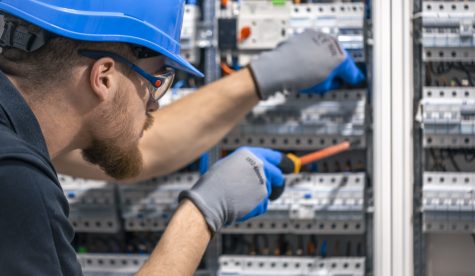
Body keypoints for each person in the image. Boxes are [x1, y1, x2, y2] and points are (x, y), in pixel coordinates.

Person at [0, 0, 364, 275]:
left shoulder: (21, 131)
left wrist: (262, 76)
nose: (154, 105)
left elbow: (141, 144)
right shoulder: (17, 183)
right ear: (104, 78)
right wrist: (201, 214)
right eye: (156, 81)